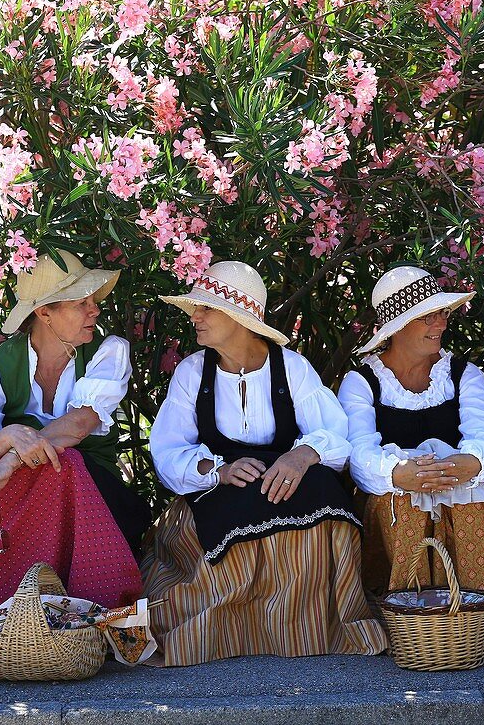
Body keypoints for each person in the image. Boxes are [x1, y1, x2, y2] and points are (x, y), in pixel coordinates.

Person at [143, 261, 387, 666]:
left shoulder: (290, 367)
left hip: (287, 478)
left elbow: (337, 436)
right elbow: (168, 449)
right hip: (222, 485)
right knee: (233, 506)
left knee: (324, 495)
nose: (195, 317)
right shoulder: (191, 372)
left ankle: (303, 627)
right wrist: (214, 471)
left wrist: (301, 456)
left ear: (238, 319)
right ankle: (238, 629)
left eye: (206, 309)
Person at [0, 250, 149, 630]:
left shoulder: (107, 351)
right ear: (44, 312)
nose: (94, 311)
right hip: (15, 506)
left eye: (93, 302)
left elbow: (79, 425)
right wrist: (7, 436)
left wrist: (9, 460)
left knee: (64, 462)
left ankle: (87, 608)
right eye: (81, 303)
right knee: (52, 466)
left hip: (92, 501)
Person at [338, 266, 484, 596]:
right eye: (427, 317)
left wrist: (462, 468)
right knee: (407, 505)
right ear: (397, 326)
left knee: (469, 498)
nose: (442, 324)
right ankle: (405, 612)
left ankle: (467, 611)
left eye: (442, 314)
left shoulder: (464, 375)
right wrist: (399, 474)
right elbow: (359, 454)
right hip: (390, 498)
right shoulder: (361, 383)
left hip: (455, 483)